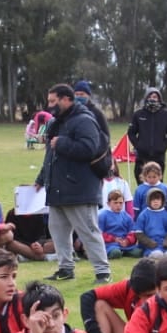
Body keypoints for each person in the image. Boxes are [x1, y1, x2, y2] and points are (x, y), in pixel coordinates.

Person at [35, 84, 111, 284]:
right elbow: (50, 155)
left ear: (66, 99)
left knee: (88, 230)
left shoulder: (84, 121)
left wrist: (62, 143)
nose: (49, 105)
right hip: (58, 188)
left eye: (53, 101)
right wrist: (42, 178)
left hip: (80, 188)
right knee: (58, 231)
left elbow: (89, 148)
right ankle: (65, 268)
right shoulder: (57, 123)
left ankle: (102, 271)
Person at [79, 256, 158, 333]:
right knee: (99, 305)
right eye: (139, 296)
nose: (145, 301)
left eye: (150, 295)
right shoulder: (128, 288)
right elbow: (87, 297)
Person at [127, 86, 167, 183]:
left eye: (155, 97)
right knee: (141, 183)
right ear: (146, 98)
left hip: (159, 157)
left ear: (159, 99)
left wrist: (163, 147)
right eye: (150, 97)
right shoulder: (138, 114)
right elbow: (131, 132)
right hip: (142, 156)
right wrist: (138, 146)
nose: (152, 99)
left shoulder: (166, 114)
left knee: (157, 185)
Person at [132, 187, 167, 258]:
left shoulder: (166, 215)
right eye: (153, 199)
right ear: (148, 200)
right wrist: (149, 243)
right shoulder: (144, 215)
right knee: (157, 254)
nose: (155, 201)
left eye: (158, 199)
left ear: (162, 201)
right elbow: (139, 232)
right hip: (150, 243)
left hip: (164, 242)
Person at [98, 190, 140, 259]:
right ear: (108, 203)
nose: (118, 205)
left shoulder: (127, 216)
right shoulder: (103, 216)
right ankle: (110, 253)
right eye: (115, 203)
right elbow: (99, 233)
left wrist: (127, 241)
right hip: (110, 244)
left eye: (120, 203)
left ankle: (124, 252)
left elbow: (132, 231)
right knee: (116, 253)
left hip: (126, 244)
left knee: (138, 252)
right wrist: (113, 239)